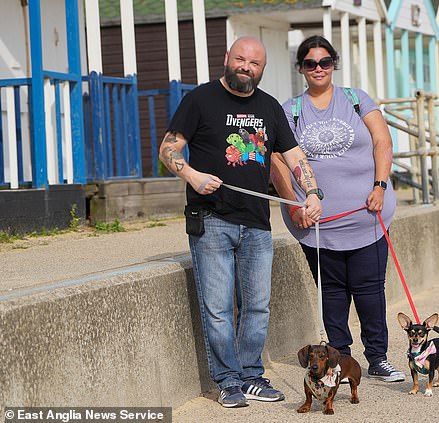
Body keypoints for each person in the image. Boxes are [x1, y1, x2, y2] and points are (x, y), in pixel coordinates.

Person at [159, 36, 323, 409]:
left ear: (262, 70)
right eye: (240, 59)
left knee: (257, 306)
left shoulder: (268, 107)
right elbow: (168, 149)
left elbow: (295, 156)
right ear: (226, 58)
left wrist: (313, 193)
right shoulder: (199, 99)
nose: (245, 67)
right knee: (217, 306)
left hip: (256, 224)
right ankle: (227, 380)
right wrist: (193, 176)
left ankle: (251, 375)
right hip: (212, 219)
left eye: (254, 64)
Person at [270, 35, 405, 382]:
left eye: (325, 62)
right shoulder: (290, 110)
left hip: (367, 216)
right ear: (301, 68)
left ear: (334, 64)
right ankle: (340, 361)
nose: (318, 68)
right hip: (318, 224)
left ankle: (377, 357)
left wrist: (380, 186)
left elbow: (382, 141)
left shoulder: (356, 100)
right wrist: (294, 203)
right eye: (310, 63)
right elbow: (278, 159)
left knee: (370, 290)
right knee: (331, 293)